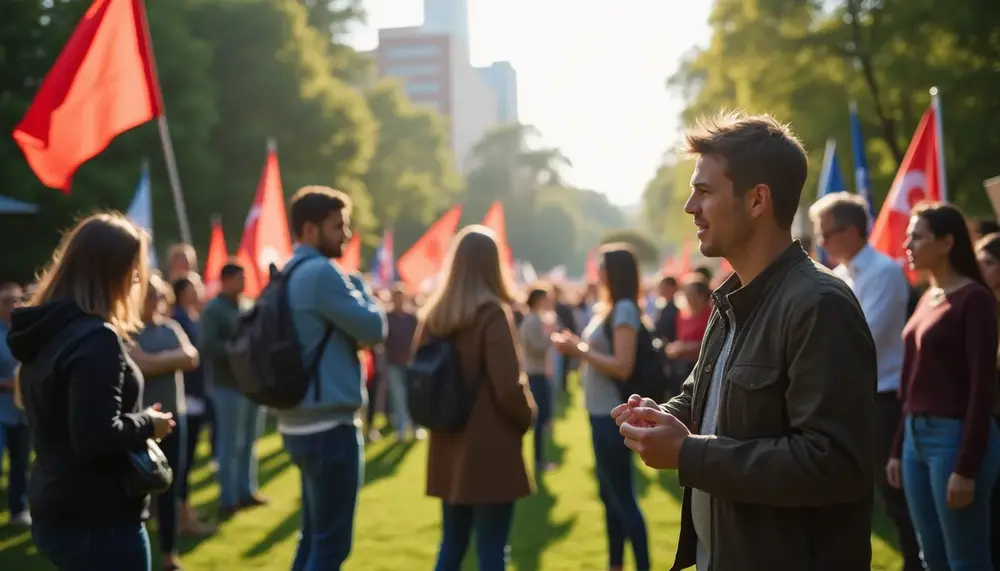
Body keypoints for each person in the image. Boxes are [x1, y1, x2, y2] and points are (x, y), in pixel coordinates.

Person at [612, 112, 877, 571]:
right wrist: (660, 416)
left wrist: (687, 452)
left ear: (757, 201)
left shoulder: (819, 304)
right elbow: (702, 396)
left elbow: (833, 464)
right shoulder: (733, 298)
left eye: (705, 191)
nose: (690, 206)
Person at [7, 213, 175, 570]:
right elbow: (96, 436)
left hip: (58, 505)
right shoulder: (95, 337)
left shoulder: (50, 326)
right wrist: (150, 423)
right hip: (98, 517)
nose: (136, 278)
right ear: (109, 269)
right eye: (133, 267)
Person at [809, 191, 922, 571]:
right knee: (848, 494)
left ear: (853, 231)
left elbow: (863, 340)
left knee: (896, 495)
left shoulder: (886, 272)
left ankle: (916, 561)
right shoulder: (836, 277)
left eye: (827, 233)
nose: (821, 242)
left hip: (883, 398)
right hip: (845, 400)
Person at [277, 186, 387, 571]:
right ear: (310, 229)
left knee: (312, 538)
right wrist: (360, 287)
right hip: (329, 425)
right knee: (331, 547)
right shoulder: (323, 273)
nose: (347, 234)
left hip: (298, 420)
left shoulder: (289, 270)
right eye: (337, 225)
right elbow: (373, 329)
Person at [887, 202, 1000, 570]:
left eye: (917, 237)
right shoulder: (926, 298)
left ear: (947, 242)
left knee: (965, 559)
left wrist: (966, 466)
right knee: (930, 556)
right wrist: (899, 446)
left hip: (954, 440)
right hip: (916, 442)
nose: (908, 244)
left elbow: (982, 388)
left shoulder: (975, 300)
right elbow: (913, 381)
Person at [415, 225, 535, 571]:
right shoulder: (491, 313)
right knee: (492, 550)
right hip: (489, 443)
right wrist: (527, 415)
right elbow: (508, 386)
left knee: (452, 544)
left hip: (447, 438)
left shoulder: (434, 315)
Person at [552, 243, 651, 571]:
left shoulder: (623, 309)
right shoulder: (610, 308)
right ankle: (616, 565)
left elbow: (622, 365)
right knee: (611, 497)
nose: (598, 273)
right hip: (600, 412)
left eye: (603, 267)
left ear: (616, 273)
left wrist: (577, 350)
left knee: (622, 497)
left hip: (612, 413)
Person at [201, 263, 267, 520]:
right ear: (226, 280)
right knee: (230, 443)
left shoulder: (248, 305)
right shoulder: (213, 310)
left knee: (250, 440)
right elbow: (206, 346)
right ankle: (228, 498)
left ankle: (246, 490)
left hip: (251, 384)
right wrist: (234, 347)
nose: (244, 282)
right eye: (240, 278)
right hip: (227, 384)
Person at [0, 281, 30, 527]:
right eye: (6, 301)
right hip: (1, 410)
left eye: (16, 300)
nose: (12, 305)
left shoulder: (28, 330)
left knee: (21, 463)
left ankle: (18, 510)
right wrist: (5, 384)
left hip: (23, 411)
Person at [519, 284, 557, 473]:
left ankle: (539, 460)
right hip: (536, 374)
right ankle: (539, 461)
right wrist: (551, 334)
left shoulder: (532, 319)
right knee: (541, 420)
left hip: (537, 373)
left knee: (542, 420)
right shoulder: (533, 321)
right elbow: (538, 346)